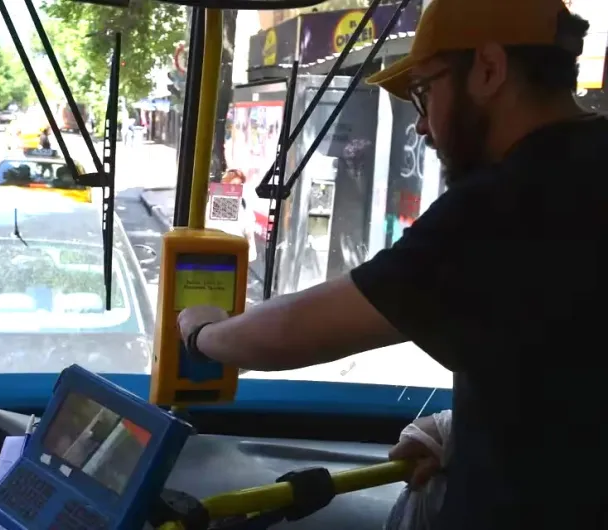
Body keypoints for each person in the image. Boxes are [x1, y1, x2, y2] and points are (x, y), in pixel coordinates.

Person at [177, 1, 607, 528]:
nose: (422, 126)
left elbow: (292, 332)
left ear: (490, 70)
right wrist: (460, 430)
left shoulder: (510, 200)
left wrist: (203, 333)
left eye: (424, 91)